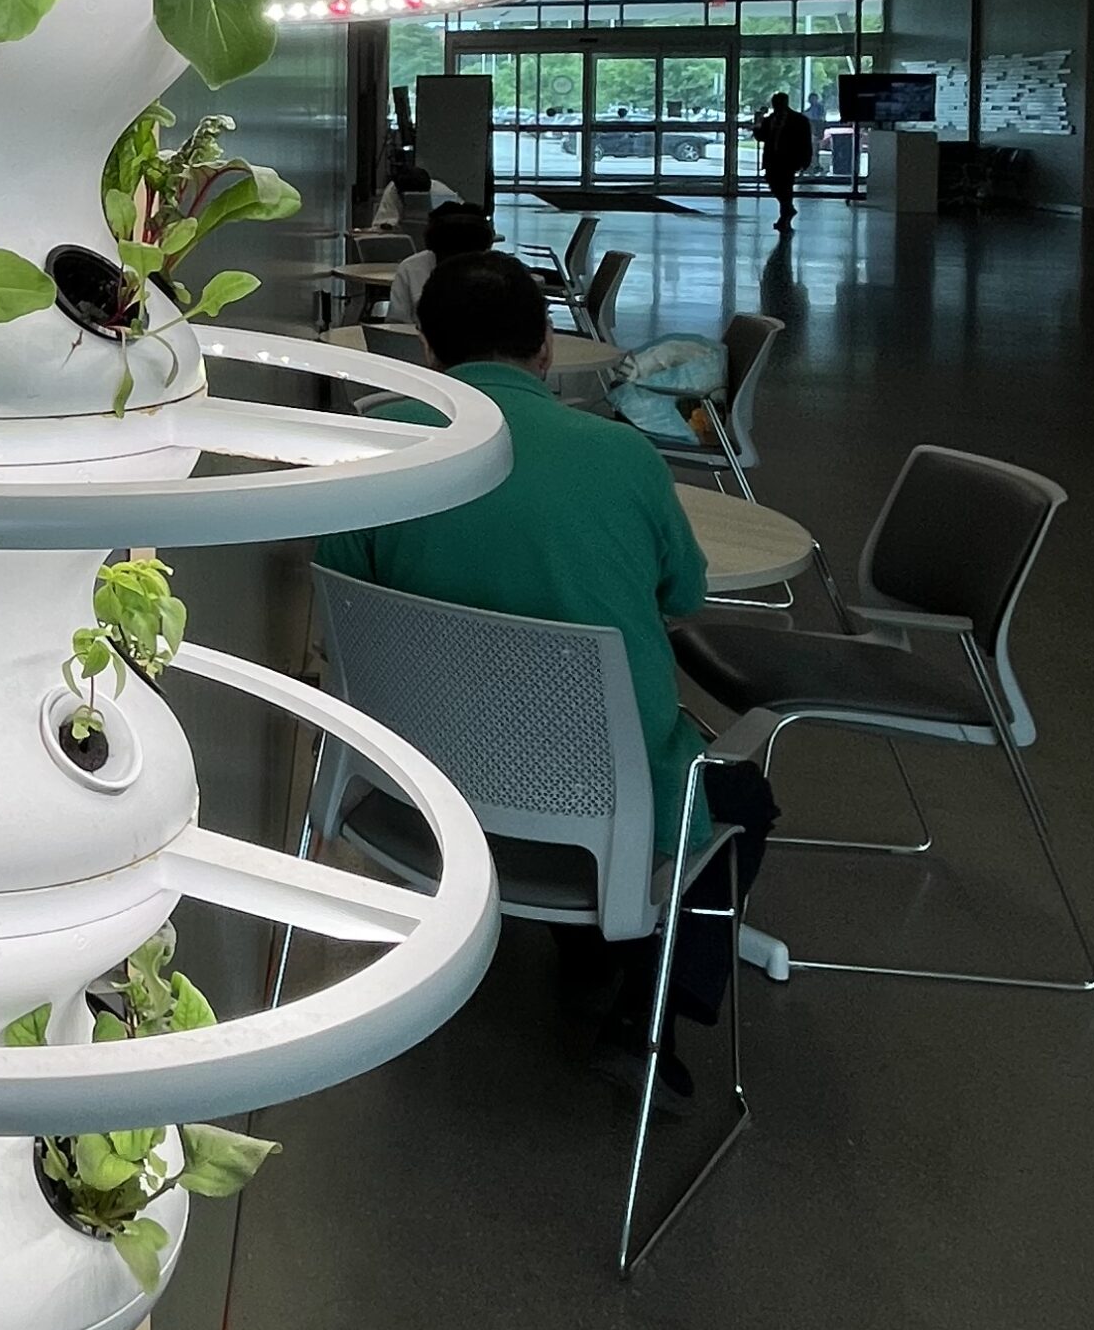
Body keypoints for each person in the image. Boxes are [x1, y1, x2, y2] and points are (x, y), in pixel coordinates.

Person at [317, 248, 774, 1109]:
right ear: (548, 350)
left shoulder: (378, 452)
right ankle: (649, 1022)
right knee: (743, 798)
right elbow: (683, 594)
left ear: (427, 350)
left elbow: (341, 589)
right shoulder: (624, 458)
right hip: (605, 793)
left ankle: (581, 947)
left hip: (419, 786)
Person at [386, 194, 494, 331]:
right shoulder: (411, 269)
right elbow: (397, 326)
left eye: (468, 258)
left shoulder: (498, 273)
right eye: (448, 256)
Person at [752, 89, 815, 235]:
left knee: (785, 187)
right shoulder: (770, 120)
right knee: (774, 184)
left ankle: (784, 215)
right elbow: (762, 137)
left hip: (788, 160)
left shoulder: (799, 120)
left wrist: (805, 160)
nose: (776, 106)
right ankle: (787, 209)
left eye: (778, 103)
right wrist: (757, 124)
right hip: (772, 159)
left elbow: (805, 142)